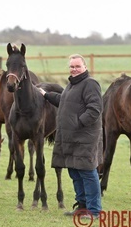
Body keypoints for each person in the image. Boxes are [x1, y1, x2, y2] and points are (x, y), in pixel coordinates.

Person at [39, 54, 103, 218]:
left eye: (77, 66)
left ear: (85, 67)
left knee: (88, 172)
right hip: (70, 138)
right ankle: (81, 207)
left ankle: (94, 211)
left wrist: (78, 123)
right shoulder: (72, 85)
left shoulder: (90, 84)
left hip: (84, 137)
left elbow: (95, 109)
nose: (74, 69)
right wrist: (46, 95)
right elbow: (64, 101)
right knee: (75, 172)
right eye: (72, 66)